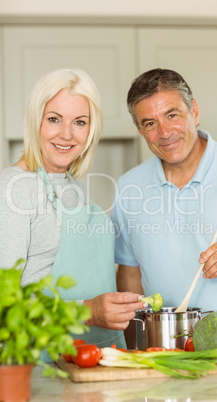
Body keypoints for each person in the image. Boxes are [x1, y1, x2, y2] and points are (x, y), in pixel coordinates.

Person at [111, 68, 217, 350]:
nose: (164, 132)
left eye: (173, 115)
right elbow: (130, 272)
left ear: (194, 111)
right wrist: (134, 345)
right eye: (150, 123)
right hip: (166, 345)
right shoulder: (127, 188)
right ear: (140, 131)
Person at [0, 68, 147, 357]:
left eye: (79, 122)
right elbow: (5, 307)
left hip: (101, 357)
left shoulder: (71, 184)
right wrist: (87, 311)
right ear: (35, 122)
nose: (66, 134)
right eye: (54, 119)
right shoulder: (15, 188)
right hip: (46, 366)